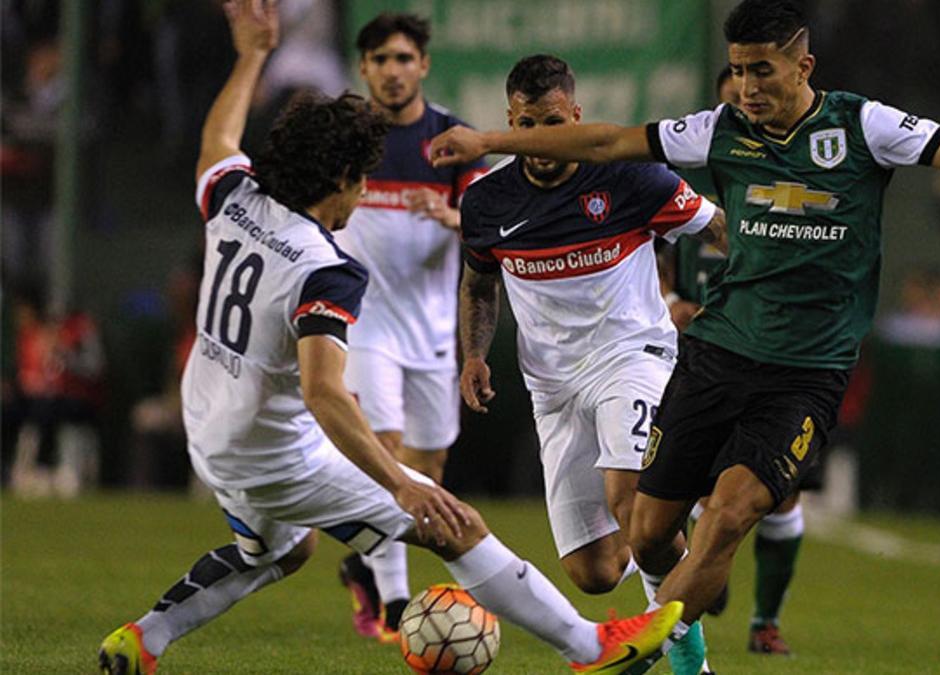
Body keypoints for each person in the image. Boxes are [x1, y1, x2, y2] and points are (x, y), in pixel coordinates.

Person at [429, 0, 940, 664]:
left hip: (807, 372)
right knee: (646, 535)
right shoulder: (719, 128)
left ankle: (632, 651)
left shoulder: (866, 127)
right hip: (718, 355)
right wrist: (488, 141)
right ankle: (683, 598)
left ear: (805, 66)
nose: (745, 86)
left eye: (761, 69)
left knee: (732, 514)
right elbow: (612, 140)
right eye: (737, 69)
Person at [96, 4, 681, 674]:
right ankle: (591, 646)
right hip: (273, 452)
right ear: (342, 181)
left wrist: (252, 54)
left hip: (210, 425)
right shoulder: (326, 267)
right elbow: (323, 391)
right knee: (452, 520)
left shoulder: (237, 196)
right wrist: (401, 487)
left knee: (284, 551)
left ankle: (143, 638)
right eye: (362, 178)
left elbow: (217, 141)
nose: (365, 190)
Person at [457, 54, 723, 675]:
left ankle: (682, 658)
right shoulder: (487, 201)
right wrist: (473, 354)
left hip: (632, 355)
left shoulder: (635, 180)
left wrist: (756, 295)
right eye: (526, 125)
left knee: (633, 503)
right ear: (508, 121)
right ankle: (682, 538)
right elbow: (478, 284)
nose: (540, 139)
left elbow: (717, 228)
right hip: (550, 384)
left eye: (552, 123)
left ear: (575, 115)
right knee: (595, 573)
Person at [332, 11, 489, 642]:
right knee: (388, 458)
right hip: (364, 324)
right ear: (363, 68)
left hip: (430, 330)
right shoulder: (347, 137)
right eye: (380, 60)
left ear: (422, 65)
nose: (393, 71)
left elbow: (488, 223)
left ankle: (363, 564)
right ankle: (397, 603)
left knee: (428, 474)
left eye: (403, 59)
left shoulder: (453, 140)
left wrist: (450, 214)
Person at [661, 64, 809, 655]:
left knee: (781, 495)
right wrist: (672, 300)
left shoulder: (798, 184)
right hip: (704, 355)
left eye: (756, 97)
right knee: (697, 496)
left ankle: (764, 620)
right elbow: (653, 250)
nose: (747, 108)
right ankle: (701, 579)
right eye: (732, 102)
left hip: (781, 360)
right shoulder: (691, 182)